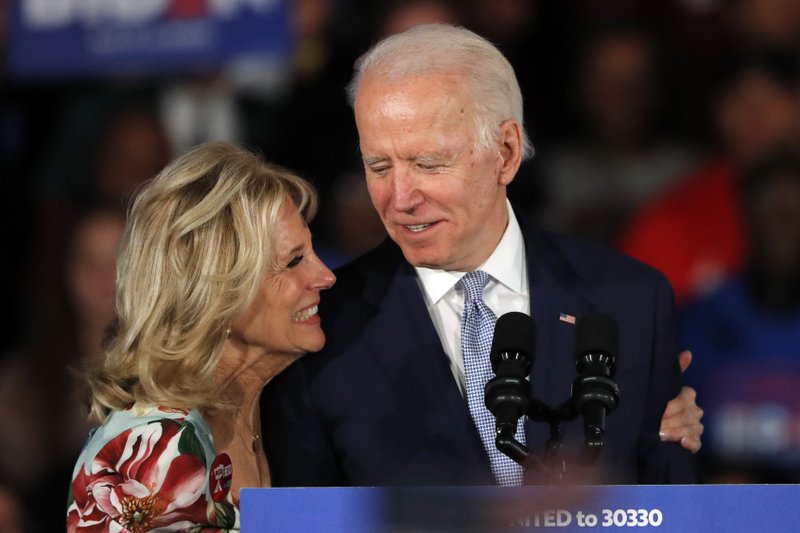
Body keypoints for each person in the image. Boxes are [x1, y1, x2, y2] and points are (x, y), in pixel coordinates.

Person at [262, 23, 699, 488]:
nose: (400, 198)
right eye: (379, 166)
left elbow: (669, 505)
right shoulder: (321, 332)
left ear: (506, 152)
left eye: (427, 163)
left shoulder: (630, 301)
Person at [67, 142, 336, 531]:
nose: (326, 276)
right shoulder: (155, 452)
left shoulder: (278, 413)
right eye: (294, 261)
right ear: (219, 293)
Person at [679, 151, 800, 483]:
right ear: (746, 216)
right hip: (723, 500)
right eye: (769, 207)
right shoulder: (700, 318)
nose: (783, 221)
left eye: (794, 208)